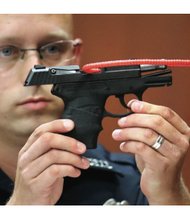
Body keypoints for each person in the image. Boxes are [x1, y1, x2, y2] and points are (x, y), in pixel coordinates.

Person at [0, 14, 189, 205]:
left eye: (53, 48)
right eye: (5, 51)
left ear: (75, 55)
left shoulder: (140, 177)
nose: (33, 68)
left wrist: (171, 197)